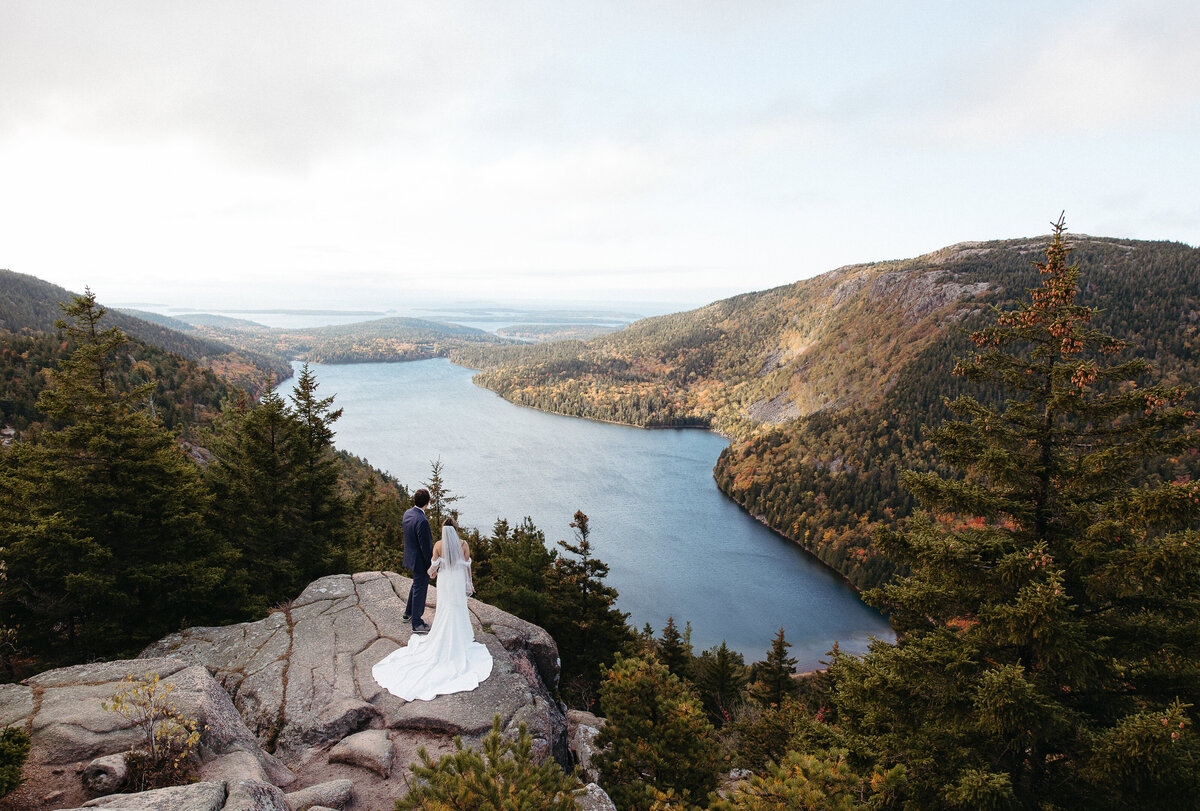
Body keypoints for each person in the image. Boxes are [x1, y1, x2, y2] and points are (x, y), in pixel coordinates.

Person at [373, 517, 494, 700]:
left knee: (444, 609)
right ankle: (459, 636)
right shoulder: (463, 544)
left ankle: (443, 635)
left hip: (444, 582)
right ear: (455, 528)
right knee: (458, 608)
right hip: (457, 580)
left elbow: (433, 567)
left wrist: (431, 573)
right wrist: (469, 584)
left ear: (443, 530)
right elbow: (467, 566)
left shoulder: (438, 545)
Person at [401, 489, 434, 633]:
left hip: (410, 556)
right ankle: (417, 623)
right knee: (420, 589)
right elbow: (426, 547)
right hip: (420, 561)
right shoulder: (422, 521)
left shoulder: (408, 513)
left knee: (416, 586)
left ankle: (408, 613)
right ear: (428, 503)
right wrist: (432, 566)